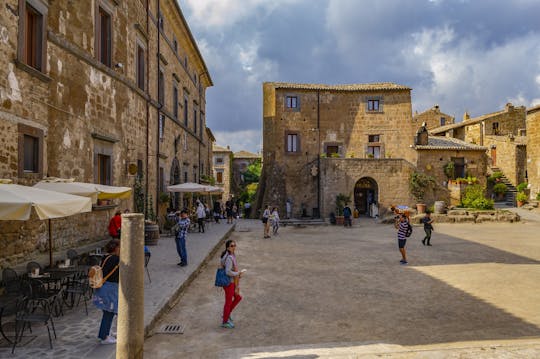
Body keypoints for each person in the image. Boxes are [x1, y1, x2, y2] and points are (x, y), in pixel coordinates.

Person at [93, 239, 120, 344]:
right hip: (110, 288)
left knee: (110, 312)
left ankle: (106, 333)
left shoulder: (106, 257)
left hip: (104, 287)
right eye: (120, 247)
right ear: (116, 248)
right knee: (109, 313)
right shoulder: (115, 259)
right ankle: (104, 337)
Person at [220, 240, 243, 329]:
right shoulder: (229, 257)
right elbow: (228, 272)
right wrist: (237, 273)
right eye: (232, 246)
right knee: (228, 302)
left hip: (230, 282)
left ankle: (227, 314)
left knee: (238, 297)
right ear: (228, 247)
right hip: (229, 282)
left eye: (234, 245)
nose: (234, 247)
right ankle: (225, 321)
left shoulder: (230, 255)